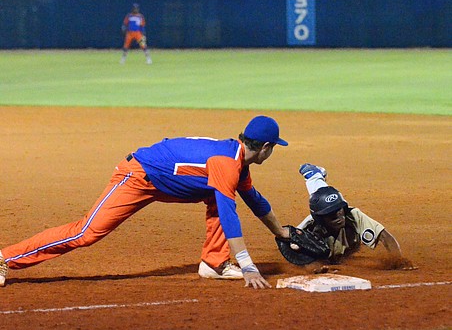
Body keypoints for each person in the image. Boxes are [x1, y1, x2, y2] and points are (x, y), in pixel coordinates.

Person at [0, 116, 291, 289]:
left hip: (163, 179)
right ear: (265, 147)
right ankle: (5, 258)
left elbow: (255, 200)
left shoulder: (236, 160)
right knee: (86, 232)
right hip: (138, 176)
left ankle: (213, 264)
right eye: (274, 148)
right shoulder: (227, 164)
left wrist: (281, 232)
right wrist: (247, 265)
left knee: (218, 195)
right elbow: (230, 216)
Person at [295, 163, 416, 270]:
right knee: (322, 201)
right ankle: (314, 176)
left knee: (329, 199)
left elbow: (385, 237)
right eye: (333, 216)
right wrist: (311, 265)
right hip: (321, 214)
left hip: (333, 206)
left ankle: (314, 176)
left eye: (340, 212)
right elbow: (290, 247)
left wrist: (399, 260)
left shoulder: (351, 214)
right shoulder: (308, 226)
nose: (340, 217)